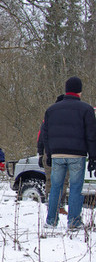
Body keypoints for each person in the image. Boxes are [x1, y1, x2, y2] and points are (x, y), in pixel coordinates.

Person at [43, 76, 96, 229]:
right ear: (79, 91)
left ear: (66, 90)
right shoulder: (86, 109)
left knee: (55, 187)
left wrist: (49, 153)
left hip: (57, 154)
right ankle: (74, 222)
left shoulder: (51, 109)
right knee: (75, 188)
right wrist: (93, 157)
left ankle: (51, 221)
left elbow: (46, 134)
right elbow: (91, 135)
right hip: (77, 154)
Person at [37, 94, 68, 214]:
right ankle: (56, 205)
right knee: (60, 180)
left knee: (53, 180)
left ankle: (54, 205)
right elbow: (41, 138)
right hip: (55, 152)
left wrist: (40, 154)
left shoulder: (49, 116)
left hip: (49, 152)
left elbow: (41, 138)